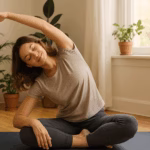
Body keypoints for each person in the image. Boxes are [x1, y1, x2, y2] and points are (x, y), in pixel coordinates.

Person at [0, 12, 138, 150]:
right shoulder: (40, 83)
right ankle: (87, 140)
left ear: (39, 43)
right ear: (29, 65)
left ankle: (82, 140)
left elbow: (43, 25)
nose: (35, 54)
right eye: (28, 58)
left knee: (129, 123)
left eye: (33, 48)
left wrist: (7, 15)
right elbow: (18, 119)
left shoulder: (67, 51)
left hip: (97, 118)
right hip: (67, 124)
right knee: (27, 133)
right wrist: (34, 122)